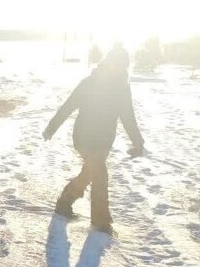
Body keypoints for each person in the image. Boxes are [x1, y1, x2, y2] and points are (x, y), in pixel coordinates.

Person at [43, 46, 144, 234]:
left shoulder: (122, 88)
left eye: (123, 65)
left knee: (90, 172)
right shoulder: (90, 83)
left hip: (104, 140)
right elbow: (69, 105)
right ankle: (100, 221)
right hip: (85, 137)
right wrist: (52, 126)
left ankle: (65, 201)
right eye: (116, 63)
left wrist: (138, 141)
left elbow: (128, 116)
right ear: (108, 62)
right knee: (99, 175)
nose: (119, 68)